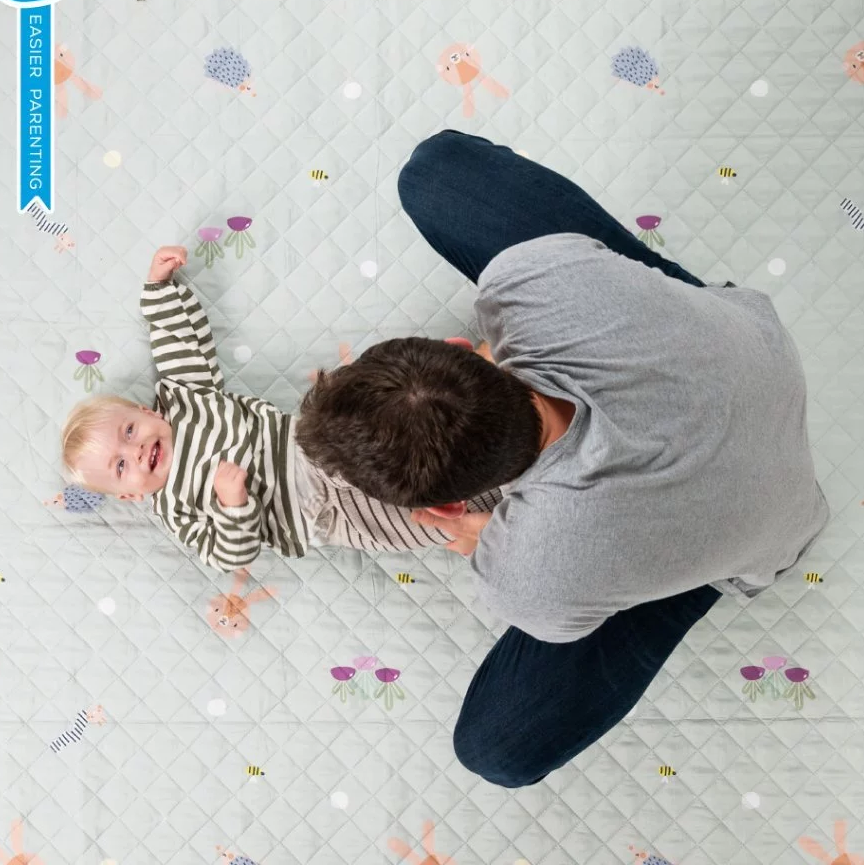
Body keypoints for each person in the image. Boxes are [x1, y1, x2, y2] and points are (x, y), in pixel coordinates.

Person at [296, 129, 831, 787]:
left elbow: (535, 571)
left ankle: (689, 568)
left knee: (495, 748)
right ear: (463, 347)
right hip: (751, 351)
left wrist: (491, 538)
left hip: (771, 529)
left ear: (450, 506)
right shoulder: (539, 280)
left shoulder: (526, 576)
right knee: (436, 172)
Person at [60, 245, 501, 573]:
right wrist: (232, 505)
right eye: (121, 466)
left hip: (322, 447)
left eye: (129, 432)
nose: (135, 452)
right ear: (131, 496)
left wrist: (159, 292)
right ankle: (502, 506)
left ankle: (492, 425)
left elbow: (178, 344)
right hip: (324, 516)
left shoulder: (182, 399)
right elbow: (228, 555)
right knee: (417, 521)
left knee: (405, 430)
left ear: (148, 412)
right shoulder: (174, 508)